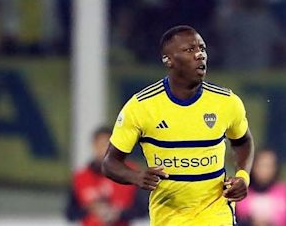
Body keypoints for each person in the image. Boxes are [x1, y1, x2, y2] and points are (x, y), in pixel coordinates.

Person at [102, 25, 255, 225]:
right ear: (168, 60)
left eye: (202, 49)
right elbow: (110, 163)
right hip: (169, 217)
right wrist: (136, 176)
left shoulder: (227, 102)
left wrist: (243, 177)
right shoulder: (141, 107)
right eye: (190, 50)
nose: (200, 55)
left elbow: (243, 142)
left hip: (217, 215)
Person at [69, 126, 147, 226]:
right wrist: (92, 209)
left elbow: (143, 209)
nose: (104, 149)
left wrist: (119, 214)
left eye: (107, 145)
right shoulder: (81, 176)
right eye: (100, 145)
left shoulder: (131, 172)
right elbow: (71, 213)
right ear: (94, 145)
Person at [236, 149, 286, 226]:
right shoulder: (240, 192)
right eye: (261, 165)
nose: (264, 170)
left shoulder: (285, 192)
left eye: (268, 166)